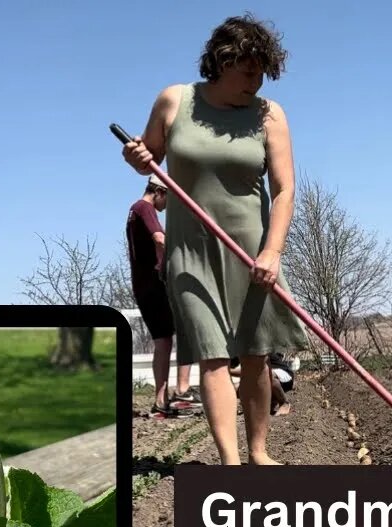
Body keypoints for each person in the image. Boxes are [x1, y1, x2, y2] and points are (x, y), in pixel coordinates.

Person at [121, 14, 308, 465]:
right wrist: (136, 156)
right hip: (191, 251)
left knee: (256, 355)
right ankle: (231, 461)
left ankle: (259, 452)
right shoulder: (175, 101)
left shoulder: (269, 115)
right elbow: (148, 159)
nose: (257, 81)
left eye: (263, 72)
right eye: (249, 71)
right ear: (223, 62)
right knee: (211, 355)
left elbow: (284, 190)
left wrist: (273, 251)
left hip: (251, 250)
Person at [124, 175, 198, 415]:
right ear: (159, 191)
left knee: (163, 340)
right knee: (187, 327)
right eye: (168, 198)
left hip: (143, 287)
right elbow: (158, 238)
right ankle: (183, 391)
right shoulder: (144, 208)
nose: (167, 206)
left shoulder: (133, 212)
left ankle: (160, 402)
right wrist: (183, 255)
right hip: (156, 285)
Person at [229, 352, 294, 416]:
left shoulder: (258, 347)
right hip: (261, 378)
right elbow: (231, 366)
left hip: (283, 375)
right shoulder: (238, 349)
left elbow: (255, 370)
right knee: (233, 388)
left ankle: (284, 403)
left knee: (266, 374)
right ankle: (270, 402)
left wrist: (227, 371)